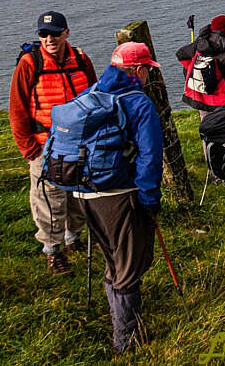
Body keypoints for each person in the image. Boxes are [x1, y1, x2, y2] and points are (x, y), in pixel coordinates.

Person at [74, 42, 163, 354]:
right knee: (127, 266)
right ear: (137, 70)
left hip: (83, 192)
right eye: (148, 69)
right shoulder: (139, 103)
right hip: (119, 194)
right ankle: (127, 341)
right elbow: (150, 158)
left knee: (112, 258)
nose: (149, 74)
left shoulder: (92, 92)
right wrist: (150, 200)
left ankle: (123, 324)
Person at [9, 10, 97, 274]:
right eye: (44, 34)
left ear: (66, 33)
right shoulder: (29, 63)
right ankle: (53, 250)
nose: (49, 39)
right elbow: (18, 109)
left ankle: (73, 238)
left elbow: (95, 97)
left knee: (78, 195)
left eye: (55, 33)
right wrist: (30, 150)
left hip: (79, 144)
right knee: (49, 199)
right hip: (45, 145)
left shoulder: (81, 60)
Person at [177, 14, 225, 119]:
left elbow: (181, 55)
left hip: (200, 95)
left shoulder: (200, 42)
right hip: (221, 98)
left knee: (206, 125)